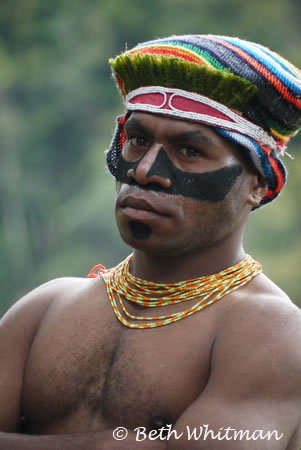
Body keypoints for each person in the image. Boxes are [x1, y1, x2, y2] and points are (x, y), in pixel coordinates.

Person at [0, 34, 301, 450]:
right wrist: (104, 446)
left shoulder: (272, 332)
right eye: (139, 140)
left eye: (189, 150)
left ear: (257, 183)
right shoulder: (44, 310)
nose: (145, 171)